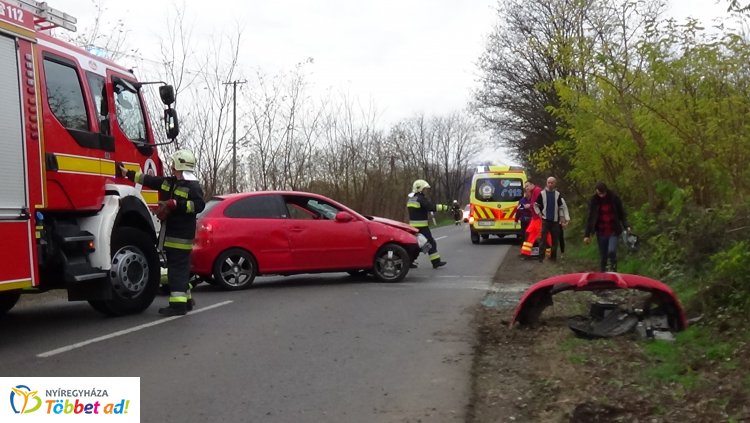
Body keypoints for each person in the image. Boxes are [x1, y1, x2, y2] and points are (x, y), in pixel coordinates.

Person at [117, 149, 205, 316]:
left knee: (176, 270)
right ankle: (186, 301)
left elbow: (198, 206)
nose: (171, 168)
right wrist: (127, 173)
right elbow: (150, 180)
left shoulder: (193, 186)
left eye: (174, 165)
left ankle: (177, 305)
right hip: (172, 234)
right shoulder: (170, 182)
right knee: (180, 268)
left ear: (180, 165)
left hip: (180, 236)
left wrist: (175, 205)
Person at [584, 182, 631, 272]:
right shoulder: (594, 200)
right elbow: (590, 218)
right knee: (603, 255)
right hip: (601, 231)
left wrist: (627, 226)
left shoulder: (614, 198)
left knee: (611, 251)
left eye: (603, 193)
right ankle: (603, 273)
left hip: (613, 230)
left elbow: (622, 214)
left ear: (606, 191)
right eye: (599, 193)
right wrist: (587, 235)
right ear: (596, 192)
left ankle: (613, 270)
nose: (601, 195)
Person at [407, 179, 447, 268]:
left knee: (416, 245)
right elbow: (431, 207)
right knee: (431, 243)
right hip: (422, 227)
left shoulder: (411, 199)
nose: (425, 190)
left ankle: (409, 261)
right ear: (419, 188)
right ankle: (436, 262)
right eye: (424, 188)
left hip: (413, 227)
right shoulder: (421, 199)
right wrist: (445, 207)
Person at [533, 176, 569, 262]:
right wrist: (539, 213)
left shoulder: (557, 194)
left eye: (552, 183)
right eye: (548, 182)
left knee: (555, 240)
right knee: (543, 240)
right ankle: (541, 258)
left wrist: (562, 219)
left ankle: (553, 258)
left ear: (555, 184)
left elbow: (561, 207)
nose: (550, 184)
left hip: (555, 221)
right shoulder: (542, 194)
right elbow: (536, 205)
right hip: (545, 220)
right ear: (546, 183)